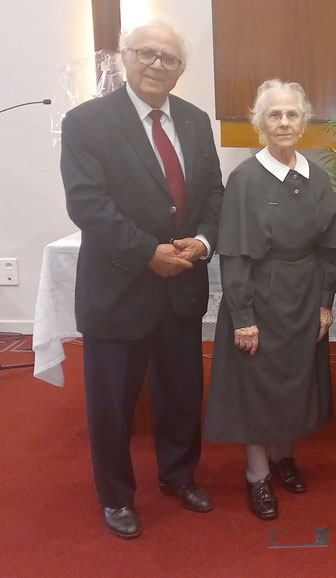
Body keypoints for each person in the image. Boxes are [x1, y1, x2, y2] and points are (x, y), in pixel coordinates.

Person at [60, 21, 223, 539]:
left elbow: (213, 195)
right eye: (146, 54)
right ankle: (116, 497)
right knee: (113, 402)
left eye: (168, 58)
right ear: (125, 59)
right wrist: (145, 253)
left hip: (181, 288)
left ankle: (179, 476)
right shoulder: (87, 121)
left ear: (181, 69)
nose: (156, 64)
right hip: (119, 287)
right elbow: (88, 203)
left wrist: (202, 241)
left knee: (180, 393)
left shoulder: (196, 122)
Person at [203, 80, 336, 520]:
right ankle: (256, 475)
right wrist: (242, 316)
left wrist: (325, 301)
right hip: (259, 295)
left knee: (295, 378)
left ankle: (284, 457)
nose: (284, 122)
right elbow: (234, 250)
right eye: (274, 115)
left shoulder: (318, 176)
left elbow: (331, 246)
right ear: (259, 124)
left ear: (304, 122)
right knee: (256, 385)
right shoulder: (245, 178)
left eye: (291, 114)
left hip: (305, 294)